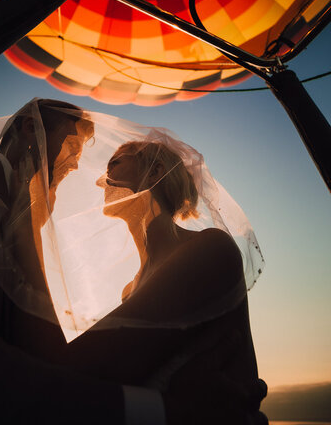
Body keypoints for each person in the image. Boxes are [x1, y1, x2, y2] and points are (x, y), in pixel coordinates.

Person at [0, 99, 172, 424]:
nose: (74, 166)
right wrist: (161, 411)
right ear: (31, 129)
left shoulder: (25, 216)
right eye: (72, 146)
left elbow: (38, 346)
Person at [53, 135, 268, 423]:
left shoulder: (210, 249)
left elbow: (97, 361)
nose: (100, 181)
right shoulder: (130, 289)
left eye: (114, 164)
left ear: (154, 172)